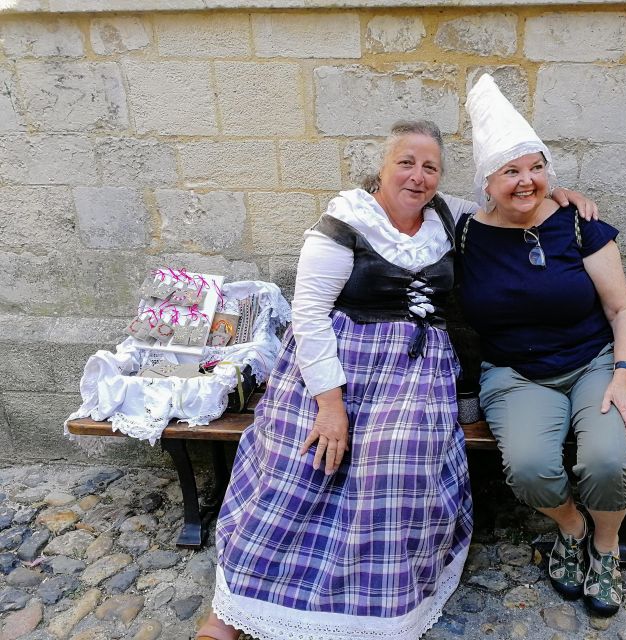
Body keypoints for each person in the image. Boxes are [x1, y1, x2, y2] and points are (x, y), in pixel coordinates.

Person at [197, 119, 599, 640]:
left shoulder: (449, 216)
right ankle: (233, 613)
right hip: (335, 364)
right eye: (405, 162)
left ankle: (376, 612)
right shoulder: (344, 221)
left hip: (414, 368)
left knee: (399, 461)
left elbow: (513, 200)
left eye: (430, 166)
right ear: (380, 170)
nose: (418, 175)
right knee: (298, 459)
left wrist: (558, 195)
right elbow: (310, 313)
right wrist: (330, 405)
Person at [456, 74, 626, 617]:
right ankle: (572, 526)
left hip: (593, 363)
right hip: (515, 374)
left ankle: (604, 547)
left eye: (536, 168)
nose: (526, 181)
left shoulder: (578, 225)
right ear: (485, 182)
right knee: (532, 466)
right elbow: (397, 198)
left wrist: (624, 374)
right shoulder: (463, 230)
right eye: (510, 171)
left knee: (606, 461)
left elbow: (622, 308)